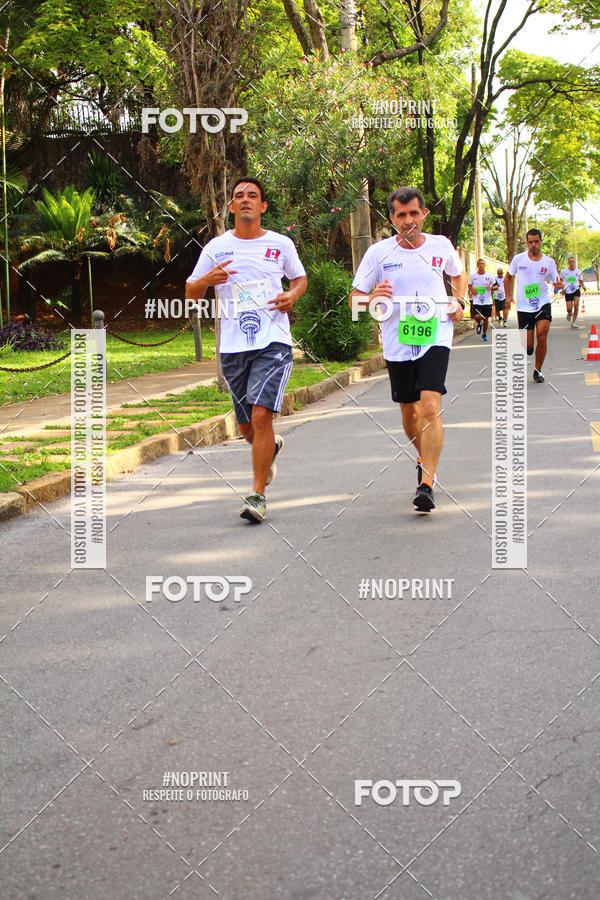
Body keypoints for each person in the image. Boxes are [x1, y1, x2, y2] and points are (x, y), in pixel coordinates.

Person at [185, 178, 307, 522]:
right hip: (234, 346)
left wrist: (292, 295)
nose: (246, 200)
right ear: (232, 208)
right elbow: (190, 292)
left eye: (253, 195)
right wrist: (206, 281)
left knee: (261, 414)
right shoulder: (216, 247)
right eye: (239, 196)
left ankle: (257, 495)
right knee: (246, 429)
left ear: (263, 206)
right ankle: (270, 448)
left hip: (273, 340)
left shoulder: (280, 244)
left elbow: (299, 278)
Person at [349, 186, 467, 513]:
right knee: (409, 412)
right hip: (398, 340)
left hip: (435, 333)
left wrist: (458, 301)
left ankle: (426, 482)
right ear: (392, 219)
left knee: (430, 406)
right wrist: (372, 298)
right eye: (401, 215)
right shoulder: (378, 254)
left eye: (414, 213)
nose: (408, 220)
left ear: (424, 214)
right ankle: (423, 455)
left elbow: (458, 274)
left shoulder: (440, 246)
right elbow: (354, 300)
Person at [504, 229, 562, 383]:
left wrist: (558, 284)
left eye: (536, 241)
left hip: (542, 303)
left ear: (541, 241)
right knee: (528, 346)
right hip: (524, 307)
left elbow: (555, 281)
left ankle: (538, 370)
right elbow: (507, 277)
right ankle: (529, 350)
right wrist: (508, 296)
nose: (534, 245)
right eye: (530, 242)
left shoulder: (549, 262)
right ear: (527, 242)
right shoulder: (518, 259)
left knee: (542, 334)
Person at [467, 258, 495, 341]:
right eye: (479, 264)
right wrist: (472, 290)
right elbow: (469, 285)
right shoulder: (473, 276)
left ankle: (484, 334)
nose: (481, 265)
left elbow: (496, 286)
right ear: (477, 265)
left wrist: (492, 287)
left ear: (485, 265)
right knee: (476, 316)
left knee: (486, 318)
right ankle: (479, 322)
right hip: (477, 300)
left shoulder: (490, 276)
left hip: (487, 300)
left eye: (482, 264)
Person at [560, 256, 584, 328]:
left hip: (576, 289)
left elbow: (581, 280)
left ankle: (573, 322)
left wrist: (583, 286)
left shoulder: (578, 271)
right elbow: (560, 280)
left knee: (576, 305)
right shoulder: (564, 272)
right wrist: (562, 288)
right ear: (568, 263)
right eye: (570, 261)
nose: (571, 263)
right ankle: (569, 313)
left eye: (572, 261)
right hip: (568, 291)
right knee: (569, 308)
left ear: (575, 262)